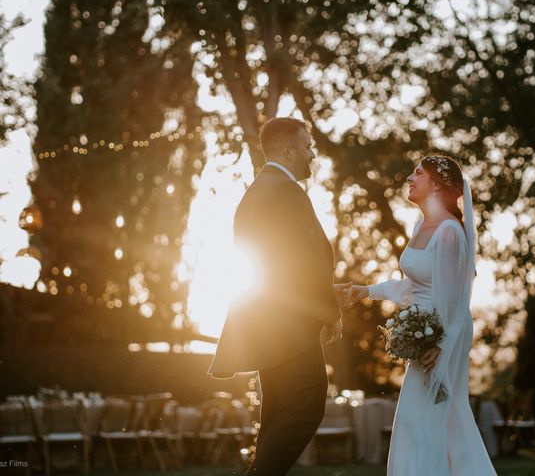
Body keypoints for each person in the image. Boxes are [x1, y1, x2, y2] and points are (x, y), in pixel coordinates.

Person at [208, 117, 349, 475]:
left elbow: (279, 263)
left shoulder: (259, 190)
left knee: (277, 413)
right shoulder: (286, 192)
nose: (312, 153)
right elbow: (305, 257)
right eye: (307, 146)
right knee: (305, 407)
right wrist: (328, 309)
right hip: (289, 330)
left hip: (269, 325)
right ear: (287, 151)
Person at [346, 153, 497, 475]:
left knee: (422, 419)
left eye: (417, 174)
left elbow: (456, 300)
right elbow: (414, 288)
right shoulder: (421, 226)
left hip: (443, 337)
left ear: (437, 184)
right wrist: (367, 290)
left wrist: (440, 344)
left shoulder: (449, 233)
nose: (409, 179)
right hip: (425, 335)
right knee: (435, 420)